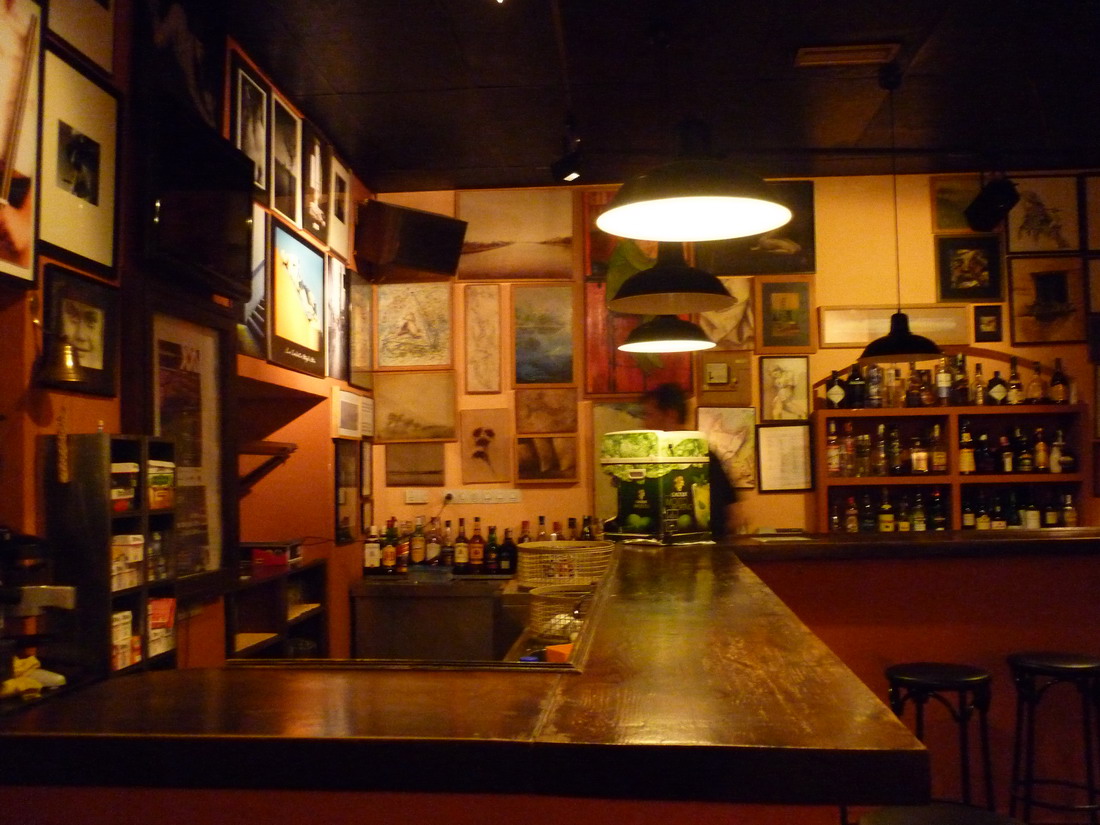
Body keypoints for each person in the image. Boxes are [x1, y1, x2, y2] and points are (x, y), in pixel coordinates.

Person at [639, 382, 737, 540]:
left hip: (704, 550)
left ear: (671, 415)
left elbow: (732, 515)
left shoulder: (704, 456)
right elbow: (733, 514)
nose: (644, 423)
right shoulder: (651, 458)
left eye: (649, 415)